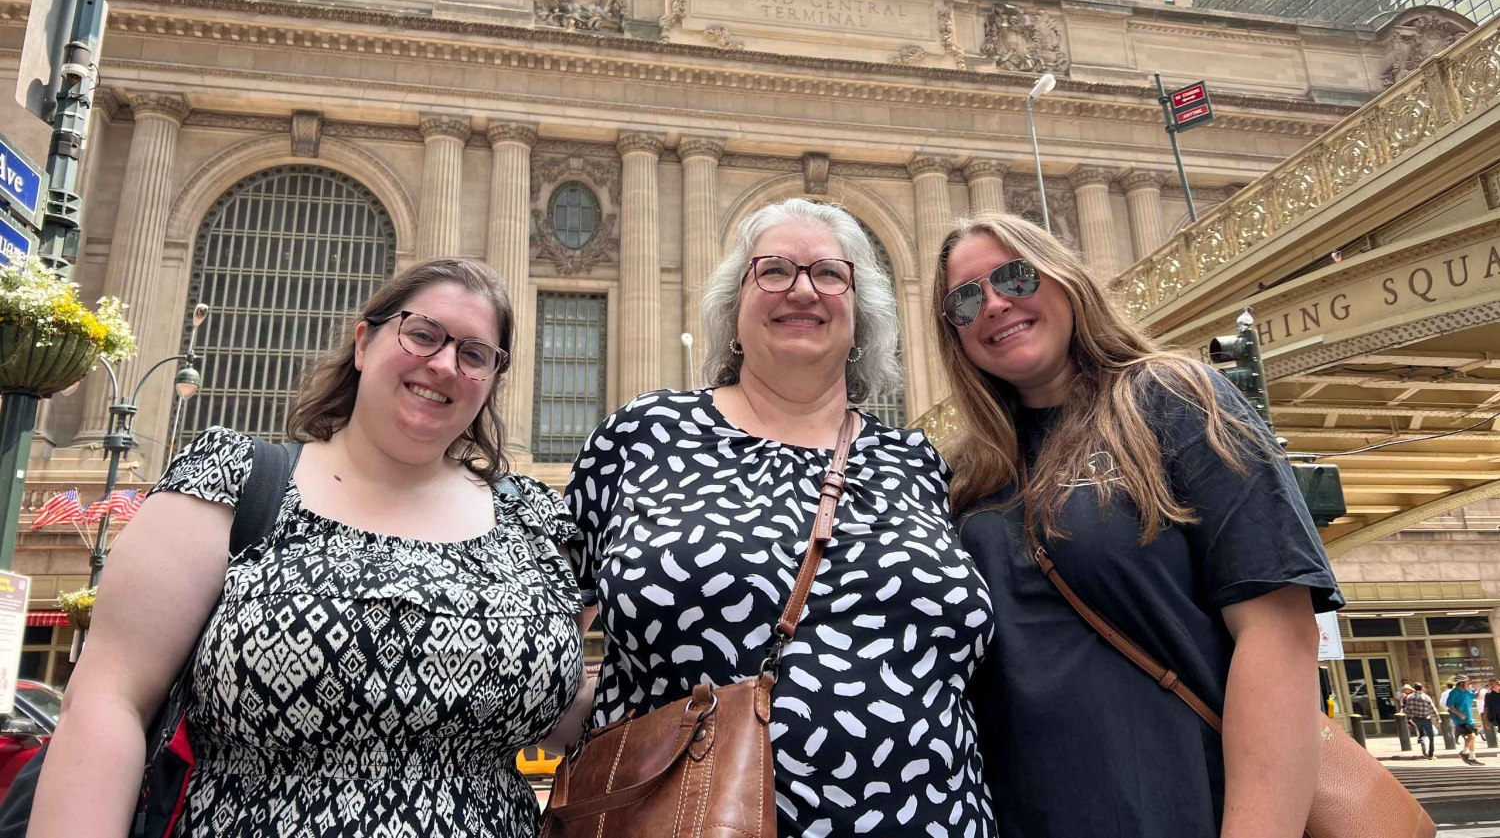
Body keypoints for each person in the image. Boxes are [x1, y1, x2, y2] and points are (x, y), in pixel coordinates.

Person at [28, 258, 592, 838]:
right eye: (423, 334)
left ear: (493, 379)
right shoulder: (234, 480)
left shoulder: (534, 521)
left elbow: (562, 711)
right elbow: (108, 704)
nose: (445, 364)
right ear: (364, 342)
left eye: (475, 354)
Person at [565, 198, 997, 837]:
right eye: (773, 271)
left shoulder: (918, 461)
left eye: (829, 274)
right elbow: (546, 633)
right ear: (732, 310)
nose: (802, 290)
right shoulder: (644, 435)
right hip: (695, 817)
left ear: (861, 320)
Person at [931, 212, 1343, 838]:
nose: (993, 304)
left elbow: (1279, 634)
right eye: (964, 299)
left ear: (1065, 281)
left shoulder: (1175, 400)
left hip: (1180, 810)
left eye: (1014, 277)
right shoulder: (966, 476)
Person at [1448, 674, 1482, 764]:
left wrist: (1479, 692)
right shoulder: (1454, 692)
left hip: (1469, 719)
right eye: (1467, 682)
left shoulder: (1467, 691)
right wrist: (1459, 713)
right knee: (1472, 736)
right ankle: (1463, 753)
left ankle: (1472, 757)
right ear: (1461, 683)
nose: (1468, 684)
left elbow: (1476, 697)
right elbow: (1450, 705)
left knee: (1472, 738)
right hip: (1460, 720)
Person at [1403, 683, 1439, 759]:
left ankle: (1422, 743)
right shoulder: (1426, 697)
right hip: (1426, 718)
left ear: (1414, 688)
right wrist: (1437, 718)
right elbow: (1432, 708)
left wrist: (1408, 718)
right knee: (1431, 736)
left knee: (1421, 733)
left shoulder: (1410, 697)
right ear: (1422, 688)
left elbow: (1408, 709)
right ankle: (1430, 754)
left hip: (1416, 718)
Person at [1486, 678, 1500, 744]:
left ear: (1498, 684)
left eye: (1492, 684)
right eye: (1489, 685)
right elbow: (1486, 708)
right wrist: (1485, 721)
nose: (1491, 686)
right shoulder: (1489, 695)